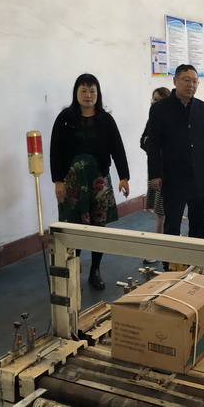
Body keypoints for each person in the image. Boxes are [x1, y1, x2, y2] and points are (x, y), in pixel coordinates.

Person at [50, 73, 130, 290]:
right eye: (83, 91)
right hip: (72, 183)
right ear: (76, 93)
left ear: (98, 94)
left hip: (98, 181)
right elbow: (55, 151)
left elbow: (117, 149)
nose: (88, 95)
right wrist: (58, 181)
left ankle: (95, 270)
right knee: (74, 228)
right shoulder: (65, 118)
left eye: (92, 91)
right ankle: (73, 269)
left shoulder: (106, 120)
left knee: (98, 228)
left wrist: (124, 177)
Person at [146, 64, 204, 242]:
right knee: (172, 225)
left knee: (199, 224)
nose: (190, 85)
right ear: (175, 81)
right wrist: (154, 174)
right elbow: (153, 145)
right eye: (186, 80)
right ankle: (172, 260)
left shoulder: (201, 107)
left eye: (195, 81)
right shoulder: (160, 109)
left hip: (199, 176)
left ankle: (196, 258)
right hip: (173, 178)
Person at [139, 86, 171, 264]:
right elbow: (143, 141)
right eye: (154, 100)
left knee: (165, 211)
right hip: (156, 171)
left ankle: (163, 246)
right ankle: (161, 244)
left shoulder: (172, 119)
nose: (155, 103)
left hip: (170, 172)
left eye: (159, 99)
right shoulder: (152, 119)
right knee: (160, 211)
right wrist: (152, 145)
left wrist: (154, 145)